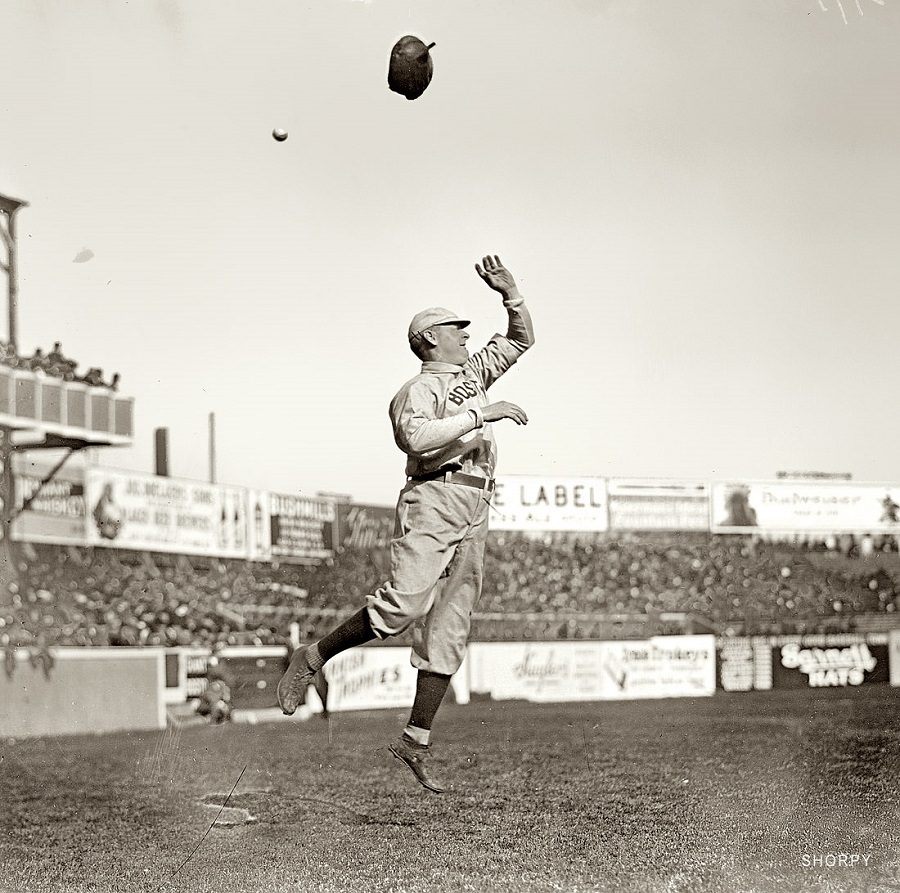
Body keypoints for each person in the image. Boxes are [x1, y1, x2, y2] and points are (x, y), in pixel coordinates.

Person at [276, 254, 535, 792]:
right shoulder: (415, 391)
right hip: (435, 496)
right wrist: (482, 414)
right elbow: (416, 439)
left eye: (465, 332)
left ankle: (415, 739)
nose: (466, 338)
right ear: (428, 340)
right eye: (455, 331)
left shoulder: (471, 373)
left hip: (476, 506)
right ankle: (315, 655)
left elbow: (520, 338)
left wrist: (510, 292)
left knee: (450, 626)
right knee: (403, 607)